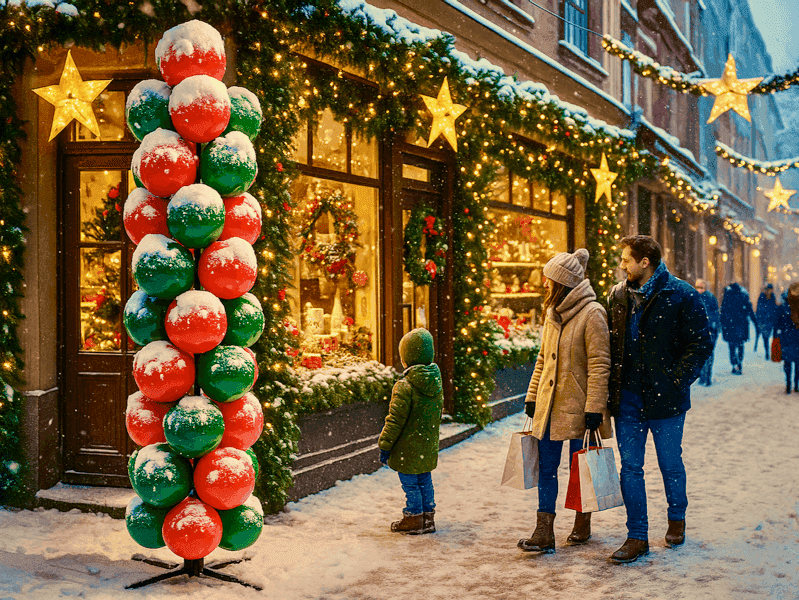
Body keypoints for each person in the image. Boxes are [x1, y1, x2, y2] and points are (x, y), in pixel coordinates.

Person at [607, 235, 712, 564]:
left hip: (666, 400)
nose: (621, 265)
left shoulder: (681, 294)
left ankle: (676, 518)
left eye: (626, 259)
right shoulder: (618, 295)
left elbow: (700, 343)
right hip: (628, 398)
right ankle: (637, 535)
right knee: (630, 468)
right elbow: (610, 342)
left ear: (644, 262)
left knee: (670, 463)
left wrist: (676, 380)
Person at [518, 248, 612, 554]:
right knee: (546, 468)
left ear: (562, 283)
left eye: (549, 279)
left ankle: (582, 521)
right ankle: (543, 530)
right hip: (549, 406)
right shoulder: (552, 313)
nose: (544, 284)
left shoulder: (592, 313)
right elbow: (542, 359)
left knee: (580, 468)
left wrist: (594, 408)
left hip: (580, 408)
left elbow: (600, 364)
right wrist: (532, 396)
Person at [378, 327, 443, 535]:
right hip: (426, 445)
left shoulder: (404, 386)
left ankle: (414, 517)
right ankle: (428, 517)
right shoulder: (436, 384)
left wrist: (385, 445)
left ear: (406, 359)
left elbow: (395, 420)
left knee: (410, 484)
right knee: (424, 480)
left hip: (407, 448)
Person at [720, 282, 758, 374]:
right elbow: (750, 311)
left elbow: (722, 312)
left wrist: (722, 324)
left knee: (732, 346)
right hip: (741, 326)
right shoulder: (743, 296)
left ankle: (734, 364)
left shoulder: (727, 297)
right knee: (740, 345)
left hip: (730, 326)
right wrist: (755, 323)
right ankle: (739, 363)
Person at [774, 283, 799, 394]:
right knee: (794, 362)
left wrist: (776, 335)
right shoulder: (784, 306)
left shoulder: (783, 306)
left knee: (790, 363)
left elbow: (777, 323)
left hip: (789, 337)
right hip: (792, 338)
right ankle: (793, 384)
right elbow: (777, 322)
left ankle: (791, 384)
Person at [694, 279, 720, 386]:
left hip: (709, 330)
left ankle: (707, 377)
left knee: (707, 354)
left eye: (701, 287)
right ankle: (702, 376)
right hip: (699, 331)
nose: (699, 289)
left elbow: (715, 314)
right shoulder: (694, 298)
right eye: (697, 287)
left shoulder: (710, 298)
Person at [755, 284, 779, 360]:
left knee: (767, 336)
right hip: (764, 320)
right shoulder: (762, 297)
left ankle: (768, 351)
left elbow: (774, 308)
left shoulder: (772, 297)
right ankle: (767, 352)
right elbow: (759, 308)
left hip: (770, 320)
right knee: (765, 337)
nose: (771, 291)